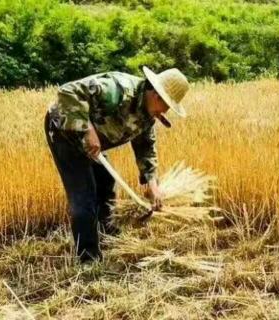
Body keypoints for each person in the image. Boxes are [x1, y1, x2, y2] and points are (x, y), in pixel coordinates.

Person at [44, 66, 190, 263]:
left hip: (94, 137)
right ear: (156, 95)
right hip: (65, 131)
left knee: (106, 183)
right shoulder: (118, 89)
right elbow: (67, 92)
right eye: (167, 106)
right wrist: (86, 129)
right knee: (84, 196)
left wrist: (152, 184)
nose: (165, 112)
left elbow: (145, 146)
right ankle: (89, 259)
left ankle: (106, 232)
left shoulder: (148, 115)